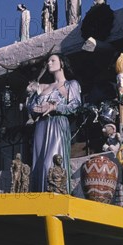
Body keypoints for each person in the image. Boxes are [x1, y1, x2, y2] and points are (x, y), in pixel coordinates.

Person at [26, 53, 81, 193]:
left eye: (53, 60)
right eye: (48, 61)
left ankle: (56, 195)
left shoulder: (71, 84)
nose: (49, 63)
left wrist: (54, 107)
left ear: (61, 63)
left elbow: (75, 106)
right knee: (38, 164)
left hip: (57, 123)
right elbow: (31, 107)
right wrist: (34, 102)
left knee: (50, 163)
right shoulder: (43, 87)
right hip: (41, 126)